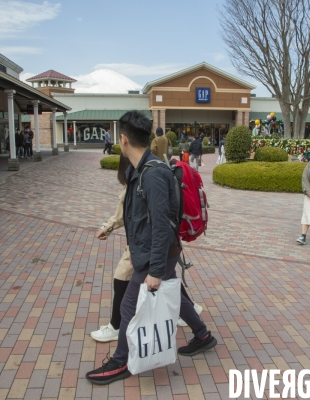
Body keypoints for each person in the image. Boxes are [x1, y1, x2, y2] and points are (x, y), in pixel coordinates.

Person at [85, 111, 216, 385]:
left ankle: (120, 361)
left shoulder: (153, 173)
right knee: (175, 296)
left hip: (156, 255)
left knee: (129, 304)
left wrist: (154, 270)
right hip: (153, 253)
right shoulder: (139, 169)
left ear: (123, 139)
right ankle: (203, 335)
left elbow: (162, 227)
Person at [91, 155, 203, 342]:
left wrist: (155, 269)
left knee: (125, 287)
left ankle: (117, 333)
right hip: (160, 245)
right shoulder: (152, 170)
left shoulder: (143, 177)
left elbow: (155, 222)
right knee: (169, 282)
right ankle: (200, 330)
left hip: (147, 245)